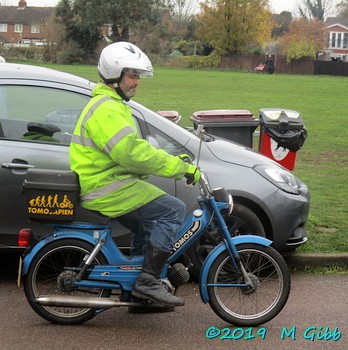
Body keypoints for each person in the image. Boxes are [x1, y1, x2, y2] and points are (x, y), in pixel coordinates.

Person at [69, 42, 200, 311]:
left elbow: (128, 154)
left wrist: (172, 160)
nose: (137, 82)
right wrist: (178, 167)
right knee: (172, 210)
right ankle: (148, 282)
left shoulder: (113, 105)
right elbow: (131, 153)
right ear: (114, 74)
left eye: (138, 76)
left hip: (109, 182)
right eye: (132, 75)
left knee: (146, 224)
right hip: (105, 187)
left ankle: (140, 295)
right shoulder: (107, 109)